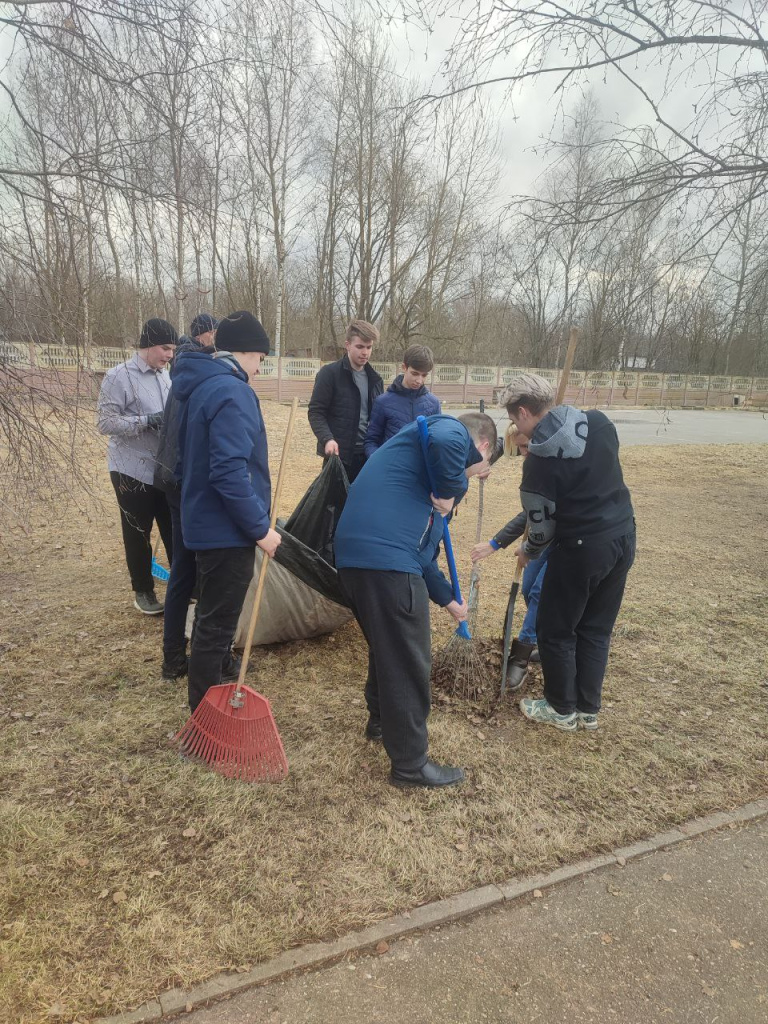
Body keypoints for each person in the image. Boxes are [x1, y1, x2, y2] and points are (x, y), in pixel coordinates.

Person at [334, 411, 497, 788]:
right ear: (482, 446)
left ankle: (380, 721)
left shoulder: (416, 471)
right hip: (385, 563)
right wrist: (451, 489)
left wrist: (448, 601)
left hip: (356, 561)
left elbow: (424, 554)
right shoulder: (448, 431)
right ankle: (410, 764)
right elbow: (446, 442)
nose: (479, 474)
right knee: (408, 660)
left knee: (387, 645)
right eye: (483, 467)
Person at [500, 374, 636, 732]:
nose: (517, 428)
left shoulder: (538, 465)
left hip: (581, 549)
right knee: (595, 628)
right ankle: (587, 710)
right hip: (622, 537)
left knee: (555, 629)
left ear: (525, 412)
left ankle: (561, 708)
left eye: (515, 420)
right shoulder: (599, 423)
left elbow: (541, 529)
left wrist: (528, 550)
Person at [173, 311, 281, 713]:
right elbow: (228, 471)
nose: (259, 368)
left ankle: (213, 691)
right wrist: (259, 529)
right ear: (249, 353)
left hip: (206, 523)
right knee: (216, 626)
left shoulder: (203, 385)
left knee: (209, 618)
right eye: (261, 359)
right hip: (226, 530)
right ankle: (204, 716)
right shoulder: (232, 392)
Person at [154, 314, 221, 680]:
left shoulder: (184, 370)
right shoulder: (201, 376)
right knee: (192, 569)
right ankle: (187, 657)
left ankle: (175, 657)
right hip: (184, 482)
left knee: (184, 568)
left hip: (172, 477)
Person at [97, 317, 177, 615]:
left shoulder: (166, 376)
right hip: (130, 469)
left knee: (172, 527)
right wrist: (146, 421)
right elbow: (105, 422)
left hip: (163, 469)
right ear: (147, 345)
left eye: (172, 349)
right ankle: (143, 590)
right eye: (165, 348)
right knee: (138, 532)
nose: (169, 355)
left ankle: (184, 586)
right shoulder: (118, 376)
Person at [470, 430, 547, 691]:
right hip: (542, 537)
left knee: (540, 593)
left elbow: (533, 515)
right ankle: (547, 643)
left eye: (527, 447)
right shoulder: (530, 455)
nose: (525, 454)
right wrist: (484, 463)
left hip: (564, 537)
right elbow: (530, 513)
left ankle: (521, 657)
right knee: (528, 589)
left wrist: (496, 544)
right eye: (521, 449)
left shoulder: (554, 462)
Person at [308, 320, 383, 482]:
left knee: (362, 506)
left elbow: (378, 419)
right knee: (334, 507)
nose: (365, 352)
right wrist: (327, 439)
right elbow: (316, 412)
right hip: (338, 457)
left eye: (369, 347)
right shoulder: (329, 374)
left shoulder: (376, 380)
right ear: (347, 345)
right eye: (360, 347)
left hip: (367, 457)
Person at [363, 344, 441, 457]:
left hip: (421, 471)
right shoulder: (383, 402)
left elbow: (438, 441)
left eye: (424, 375)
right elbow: (371, 441)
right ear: (404, 367)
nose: (419, 380)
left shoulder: (433, 403)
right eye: (415, 373)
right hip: (391, 469)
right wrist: (380, 463)